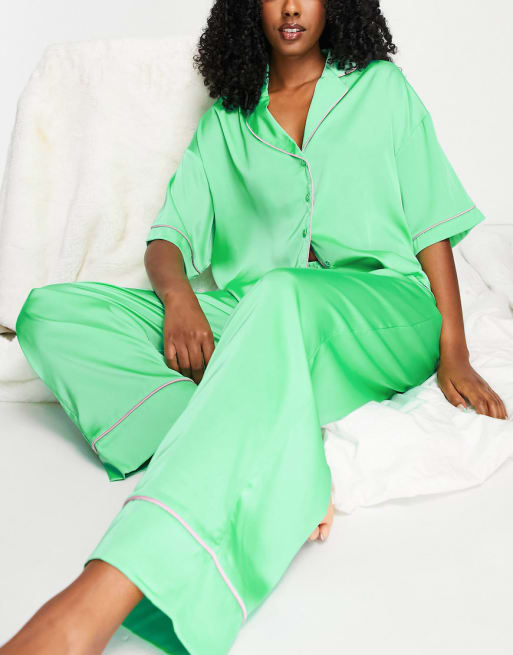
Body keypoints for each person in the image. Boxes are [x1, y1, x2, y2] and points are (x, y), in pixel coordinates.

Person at [3, 0, 509, 653]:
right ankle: (277, 448)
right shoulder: (228, 120)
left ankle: (98, 596)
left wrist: (454, 349)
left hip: (385, 309)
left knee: (281, 294)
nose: (291, 6)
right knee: (51, 314)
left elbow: (431, 226)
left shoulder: (379, 88)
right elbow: (168, 237)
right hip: (258, 313)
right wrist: (180, 299)